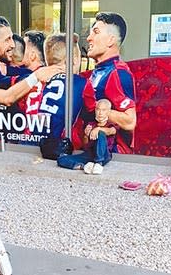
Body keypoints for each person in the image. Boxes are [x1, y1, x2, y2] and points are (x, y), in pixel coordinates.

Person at [82, 12, 136, 153]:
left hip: (112, 155)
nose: (89, 38)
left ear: (110, 40)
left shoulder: (118, 73)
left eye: (96, 32)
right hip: (92, 150)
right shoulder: (100, 71)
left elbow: (130, 121)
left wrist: (98, 110)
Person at [57, 98, 117, 174]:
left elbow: (111, 131)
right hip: (90, 154)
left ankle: (98, 163)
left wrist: (98, 129)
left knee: (101, 134)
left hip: (104, 156)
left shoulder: (112, 125)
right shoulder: (91, 124)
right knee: (61, 159)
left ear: (108, 111)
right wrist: (86, 135)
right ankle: (85, 166)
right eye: (98, 110)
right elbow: (85, 145)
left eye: (103, 110)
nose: (100, 113)